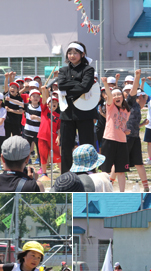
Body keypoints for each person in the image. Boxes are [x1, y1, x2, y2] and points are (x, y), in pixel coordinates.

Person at [58, 42, 96, 173]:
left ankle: (89, 172)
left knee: (87, 144)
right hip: (67, 113)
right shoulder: (63, 70)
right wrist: (77, 85)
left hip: (85, 112)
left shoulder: (88, 69)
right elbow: (61, 85)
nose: (72, 56)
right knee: (66, 146)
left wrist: (68, 89)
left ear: (82, 54)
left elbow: (85, 87)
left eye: (75, 53)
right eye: (69, 53)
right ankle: (66, 174)